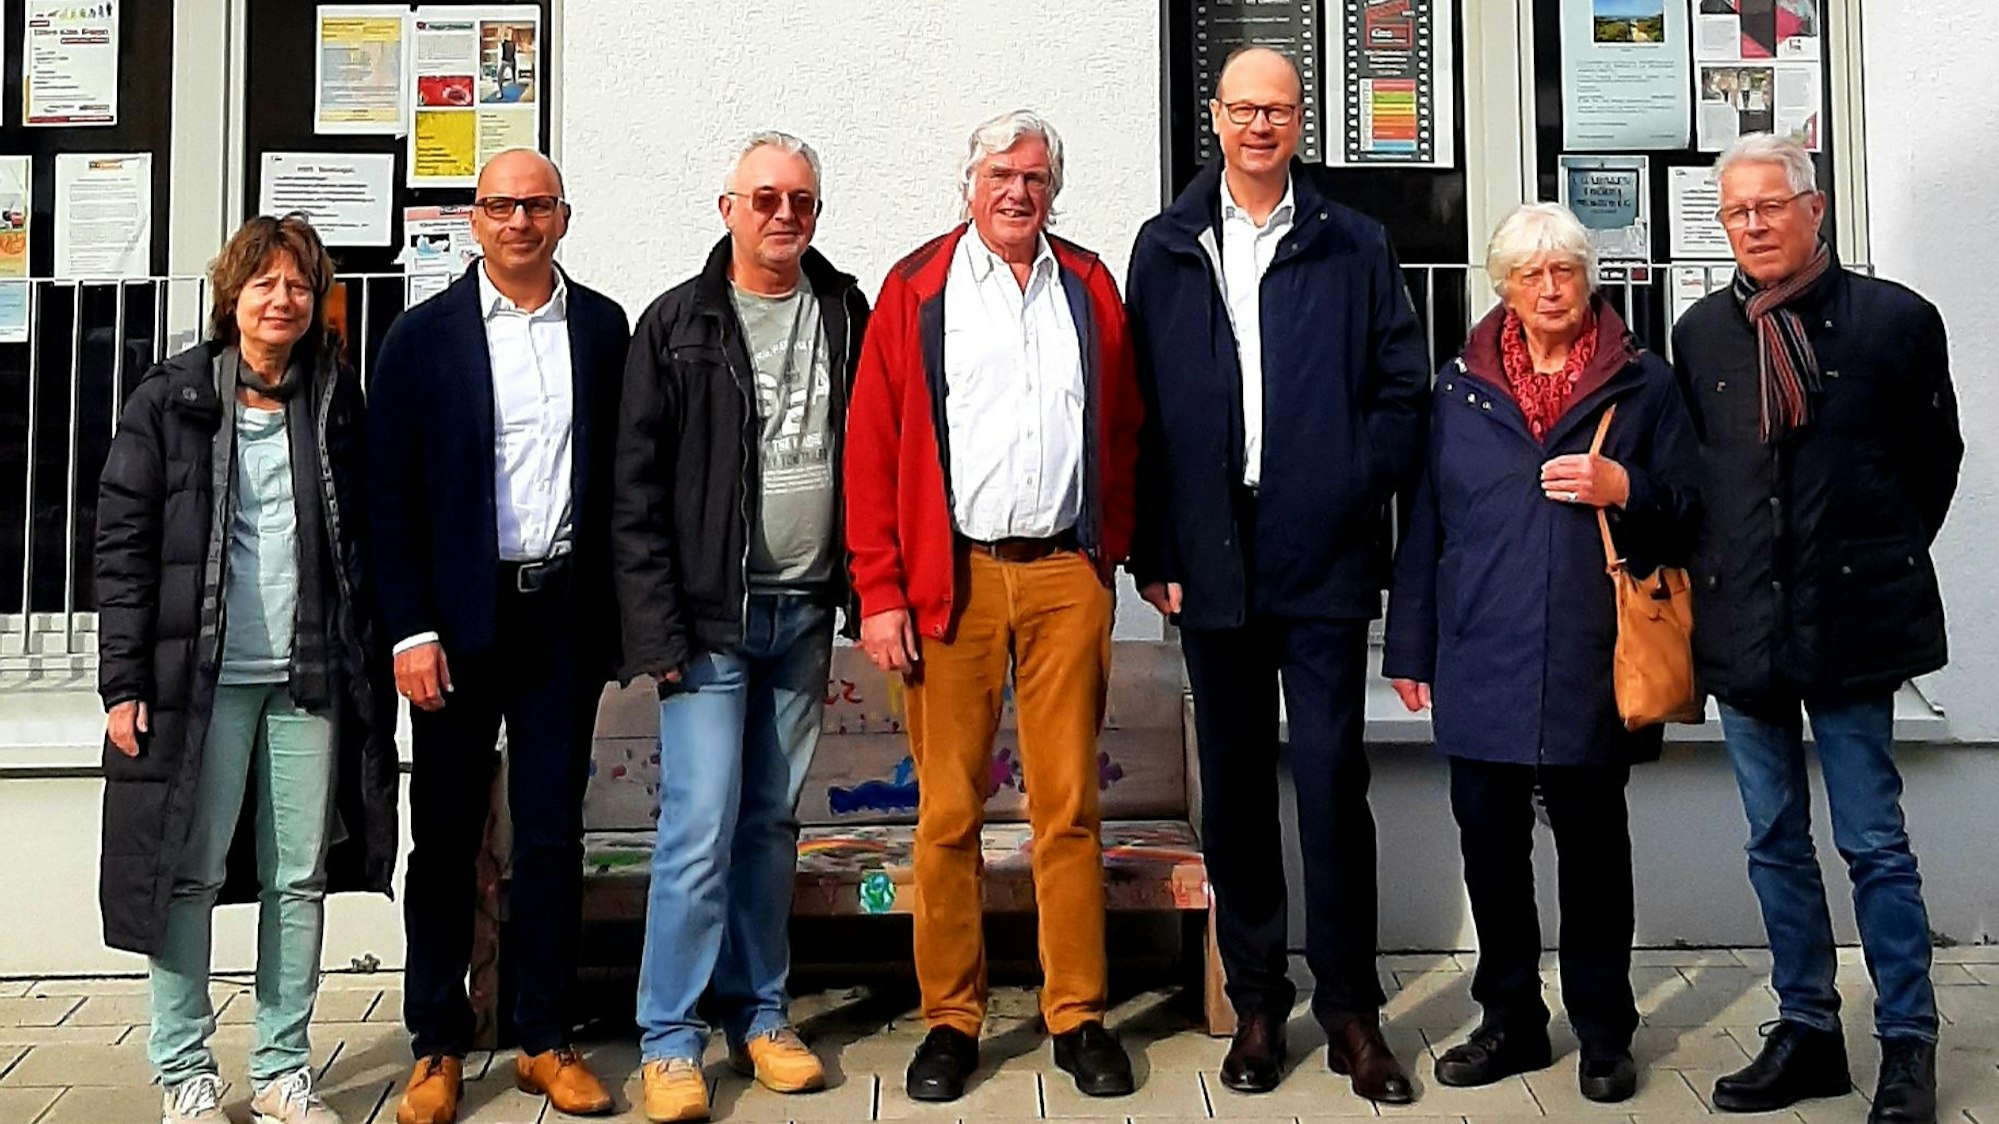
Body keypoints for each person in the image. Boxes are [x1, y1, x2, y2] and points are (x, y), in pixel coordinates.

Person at [1122, 46, 1430, 1102]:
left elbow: (1402, 389)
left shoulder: (1353, 242)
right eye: (1243, 107)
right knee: (1240, 786)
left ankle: (1349, 1009)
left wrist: (1349, 482)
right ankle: (1256, 1002)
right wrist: (1154, 548)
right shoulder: (1166, 245)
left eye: (1279, 108)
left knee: (1334, 780)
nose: (1261, 124)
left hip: (1323, 551)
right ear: (1213, 117)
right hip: (1210, 554)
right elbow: (1143, 417)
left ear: (1302, 121)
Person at [844, 109, 1143, 1104]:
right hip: (950, 579)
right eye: (1000, 175)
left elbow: (1127, 424)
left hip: (1065, 572)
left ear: (1054, 189)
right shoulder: (916, 286)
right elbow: (874, 446)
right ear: (966, 184)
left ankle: (1078, 1012)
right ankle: (950, 1017)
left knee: (1067, 807)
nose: (1018, 192)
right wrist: (878, 590)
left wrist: (1116, 548)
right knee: (948, 813)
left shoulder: (1090, 285)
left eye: (1035, 177)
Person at [1382, 202, 1700, 1106]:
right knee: (1491, 852)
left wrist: (1624, 485)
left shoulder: (1643, 384)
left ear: (1588, 277)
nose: (1550, 288)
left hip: (1592, 655)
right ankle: (1510, 1020)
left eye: (1564, 270)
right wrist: (1410, 646)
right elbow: (1427, 525)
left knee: (1594, 854)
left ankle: (1603, 1031)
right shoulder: (1459, 388)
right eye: (1530, 273)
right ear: (1503, 287)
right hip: (1480, 648)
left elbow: (1691, 504)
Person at [1674, 133, 1961, 1124]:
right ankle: (1805, 1029)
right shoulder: (1701, 333)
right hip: (1745, 621)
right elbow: (1702, 479)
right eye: (1734, 213)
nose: (1751, 226)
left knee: (1874, 839)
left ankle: (1908, 1042)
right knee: (1771, 838)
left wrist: (1869, 555)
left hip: (1853, 621)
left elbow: (1932, 462)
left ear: (1814, 208)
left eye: (1768, 206)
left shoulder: (1894, 322)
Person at [94, 213, 399, 1124]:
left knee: (296, 876)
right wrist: (123, 683)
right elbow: (123, 543)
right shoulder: (172, 397)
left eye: (299, 285)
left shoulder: (335, 399)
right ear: (234, 294)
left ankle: (281, 1068)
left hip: (308, 677)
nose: (283, 299)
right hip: (201, 681)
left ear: (317, 303)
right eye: (265, 282)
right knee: (183, 873)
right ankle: (185, 1069)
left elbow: (366, 543)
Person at [366, 149, 631, 1124]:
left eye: (537, 205)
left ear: (563, 217)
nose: (518, 220)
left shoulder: (602, 329)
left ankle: (543, 1036)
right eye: (499, 206)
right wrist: (410, 627)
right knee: (443, 836)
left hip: (560, 614)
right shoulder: (421, 338)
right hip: (455, 622)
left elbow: (618, 482)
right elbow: (387, 496)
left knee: (554, 834)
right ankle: (436, 1040)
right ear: (473, 221)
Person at [613, 131, 870, 1124]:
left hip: (803, 611)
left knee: (768, 825)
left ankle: (761, 1016)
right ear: (727, 207)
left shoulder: (846, 311)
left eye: (800, 199)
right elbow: (634, 492)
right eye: (763, 197)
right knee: (696, 828)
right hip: (710, 625)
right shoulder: (677, 324)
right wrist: (659, 632)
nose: (783, 214)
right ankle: (668, 1040)